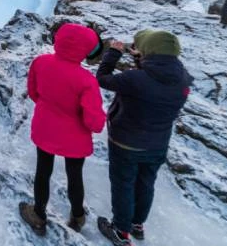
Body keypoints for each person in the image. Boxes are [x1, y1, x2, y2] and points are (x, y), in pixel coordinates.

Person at [96, 30, 193, 246]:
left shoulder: (134, 79)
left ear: (148, 51)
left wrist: (113, 53)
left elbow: (103, 79)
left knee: (123, 184)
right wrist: (142, 60)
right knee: (146, 183)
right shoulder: (183, 79)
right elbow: (155, 79)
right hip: (157, 144)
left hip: (125, 142)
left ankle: (121, 232)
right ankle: (137, 224)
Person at [19, 23, 106, 236]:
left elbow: (33, 92)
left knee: (43, 171)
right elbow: (94, 121)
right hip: (74, 137)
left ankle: (38, 215)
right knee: (74, 175)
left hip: (45, 128)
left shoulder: (40, 63)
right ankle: (77, 216)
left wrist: (49, 108)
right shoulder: (86, 80)